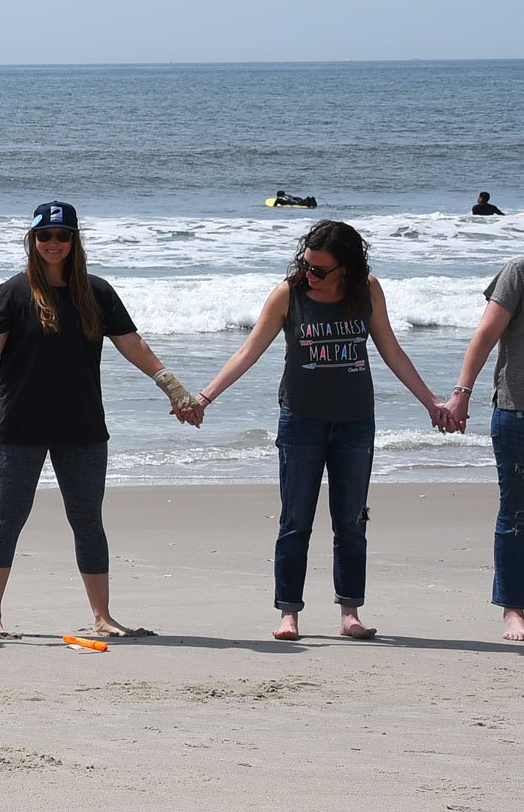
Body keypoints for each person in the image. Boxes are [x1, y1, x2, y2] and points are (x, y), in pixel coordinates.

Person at [0, 202, 196, 640]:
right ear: (32, 241)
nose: (53, 244)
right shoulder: (11, 293)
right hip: (20, 427)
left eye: (62, 236)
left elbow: (132, 344)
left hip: (82, 427)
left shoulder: (96, 293)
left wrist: (173, 388)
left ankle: (102, 616)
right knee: (8, 517)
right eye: (45, 237)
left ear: (75, 241)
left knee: (87, 519)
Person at [190, 221, 450, 641]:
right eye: (307, 265)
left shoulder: (367, 290)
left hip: (355, 424)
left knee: (351, 520)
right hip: (301, 422)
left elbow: (391, 349)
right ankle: (288, 613)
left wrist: (432, 402)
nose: (310, 274)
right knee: (296, 520)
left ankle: (350, 613)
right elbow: (248, 350)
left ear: (346, 267)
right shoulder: (288, 294)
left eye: (320, 269)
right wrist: (205, 398)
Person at [440, 251, 524, 640]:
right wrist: (461, 394)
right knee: (517, 514)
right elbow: (486, 334)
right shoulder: (519, 271)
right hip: (517, 411)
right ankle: (513, 609)